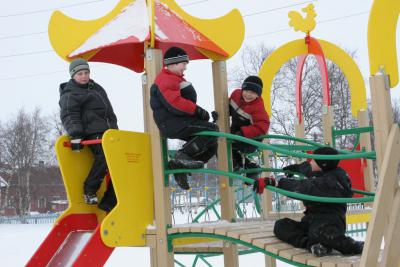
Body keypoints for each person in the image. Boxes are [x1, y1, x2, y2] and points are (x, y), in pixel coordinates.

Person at [271, 147, 364, 257]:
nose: (310, 162)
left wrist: (279, 183)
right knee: (281, 225)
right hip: (311, 221)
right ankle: (313, 245)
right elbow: (307, 168)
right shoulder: (320, 170)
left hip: (330, 222)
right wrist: (295, 168)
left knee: (324, 234)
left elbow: (306, 188)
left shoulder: (331, 181)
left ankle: (352, 246)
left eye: (313, 160)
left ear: (323, 164)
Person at [150, 46, 219, 191]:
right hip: (172, 123)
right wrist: (197, 111)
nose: (185, 67)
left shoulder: (174, 79)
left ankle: (182, 166)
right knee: (211, 130)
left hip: (177, 121)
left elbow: (183, 103)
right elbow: (175, 104)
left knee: (211, 141)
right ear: (173, 63)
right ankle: (182, 157)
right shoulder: (166, 79)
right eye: (184, 64)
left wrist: (202, 115)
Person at [59, 58, 118, 212]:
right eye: (80, 74)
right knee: (105, 157)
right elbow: (69, 115)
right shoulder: (70, 93)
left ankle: (110, 201)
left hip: (108, 133)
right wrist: (76, 135)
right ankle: (89, 189)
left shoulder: (97, 88)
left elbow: (109, 111)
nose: (84, 76)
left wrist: (114, 129)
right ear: (73, 76)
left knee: (120, 163)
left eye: (86, 72)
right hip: (93, 133)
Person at [229, 75, 270, 183]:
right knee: (219, 141)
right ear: (242, 89)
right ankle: (249, 168)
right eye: (246, 90)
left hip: (252, 139)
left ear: (258, 95)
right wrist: (218, 114)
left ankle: (239, 166)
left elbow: (262, 126)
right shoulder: (235, 95)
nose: (248, 95)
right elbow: (227, 107)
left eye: (253, 93)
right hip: (236, 133)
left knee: (227, 144)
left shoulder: (258, 108)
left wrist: (243, 133)